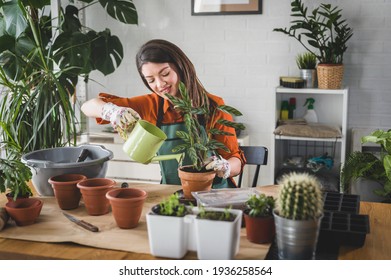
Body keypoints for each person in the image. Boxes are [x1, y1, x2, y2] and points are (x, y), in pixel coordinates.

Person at [81, 39, 246, 188]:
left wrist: (224, 167)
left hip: (215, 193)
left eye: (165, 73)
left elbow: (235, 162)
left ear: (181, 67)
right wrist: (111, 111)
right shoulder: (151, 105)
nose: (160, 84)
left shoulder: (213, 106)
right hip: (172, 193)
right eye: (151, 80)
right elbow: (88, 107)